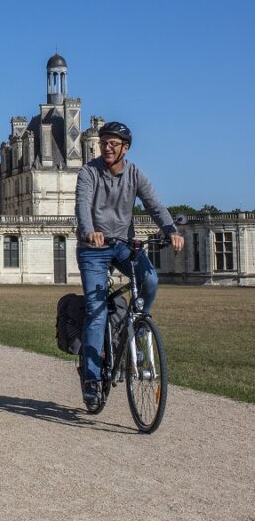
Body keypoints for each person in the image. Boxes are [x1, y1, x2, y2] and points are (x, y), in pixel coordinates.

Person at [75, 121, 184, 409]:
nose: (107, 147)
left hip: (124, 245)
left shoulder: (135, 174)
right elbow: (82, 206)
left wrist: (171, 229)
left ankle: (138, 322)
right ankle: (91, 377)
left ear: (126, 148)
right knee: (96, 312)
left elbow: (154, 205)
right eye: (103, 143)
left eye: (113, 143)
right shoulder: (88, 172)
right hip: (93, 249)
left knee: (150, 279)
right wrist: (89, 231)